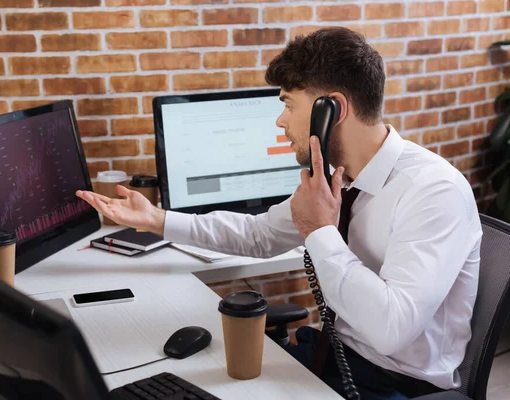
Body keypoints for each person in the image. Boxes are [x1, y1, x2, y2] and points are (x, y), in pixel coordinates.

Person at [76, 27, 482, 400]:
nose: (280, 120)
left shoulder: (432, 191)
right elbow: (257, 235)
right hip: (333, 356)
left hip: (396, 384)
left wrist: (320, 230)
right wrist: (157, 220)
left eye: (288, 104)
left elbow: (392, 330)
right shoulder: (337, 178)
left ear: (331, 110)